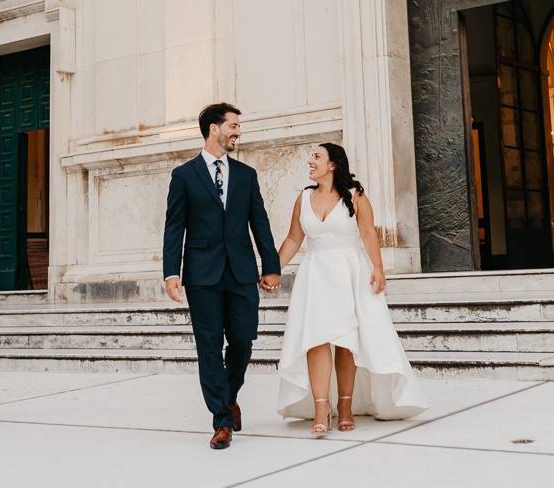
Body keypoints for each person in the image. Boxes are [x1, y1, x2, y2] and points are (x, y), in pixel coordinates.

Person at [276, 142, 428, 436]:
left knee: (347, 341)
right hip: (315, 273)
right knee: (315, 339)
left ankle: (345, 405)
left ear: (332, 164)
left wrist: (378, 268)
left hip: (349, 271)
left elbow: (368, 233)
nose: (310, 161)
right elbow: (294, 239)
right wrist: (272, 269)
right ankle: (322, 408)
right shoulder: (303, 198)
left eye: (316, 157)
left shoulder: (356, 197)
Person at [162, 102, 281, 450]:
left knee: (243, 341)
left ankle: (229, 396)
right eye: (233, 126)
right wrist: (172, 272)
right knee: (210, 348)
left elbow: (259, 222)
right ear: (214, 129)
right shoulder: (183, 176)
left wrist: (270, 266)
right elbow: (174, 227)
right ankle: (221, 419)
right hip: (202, 276)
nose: (238, 132)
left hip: (241, 272)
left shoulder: (246, 175)